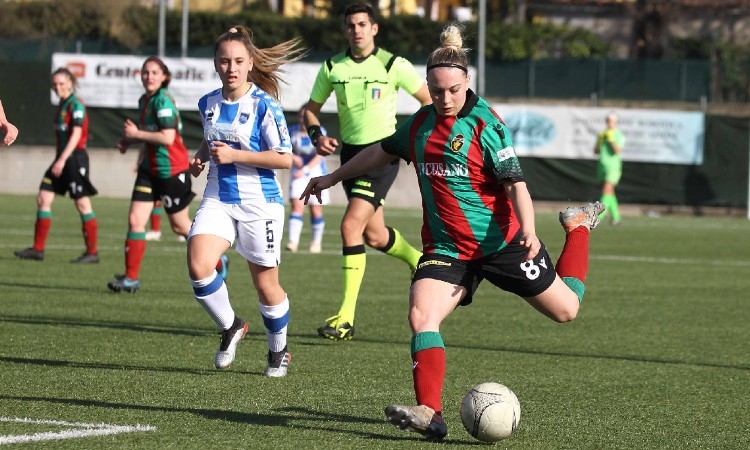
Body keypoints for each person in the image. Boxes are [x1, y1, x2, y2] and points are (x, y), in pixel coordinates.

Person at [301, 24, 605, 441]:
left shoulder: (486, 125)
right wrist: (332, 177)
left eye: (454, 91)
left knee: (566, 309)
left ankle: (578, 227)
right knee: (421, 315)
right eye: (437, 90)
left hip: (501, 243)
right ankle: (430, 413)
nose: (445, 99)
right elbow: (380, 152)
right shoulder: (420, 124)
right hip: (446, 250)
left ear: (467, 83)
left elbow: (515, 184)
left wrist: (531, 230)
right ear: (427, 86)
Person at [303, 2, 432, 341]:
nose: (356, 30)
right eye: (351, 25)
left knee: (350, 226)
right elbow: (310, 111)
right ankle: (418, 260)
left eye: (362, 24)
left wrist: (409, 138)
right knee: (374, 235)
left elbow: (429, 101)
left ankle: (345, 318)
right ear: (345, 30)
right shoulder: (333, 67)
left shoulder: (393, 64)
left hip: (382, 156)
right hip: (350, 156)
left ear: (374, 28)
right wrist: (317, 137)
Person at [187, 25, 305, 377]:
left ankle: (278, 351)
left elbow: (285, 158)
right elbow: (211, 138)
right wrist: (200, 156)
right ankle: (231, 326)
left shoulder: (265, 106)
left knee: (265, 284)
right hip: (217, 195)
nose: (232, 68)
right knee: (198, 265)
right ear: (215, 63)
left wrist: (236, 155)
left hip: (260, 202)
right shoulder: (207, 103)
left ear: (251, 63)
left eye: (239, 61)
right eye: (225, 61)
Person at [108, 56, 228, 293]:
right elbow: (150, 134)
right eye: (145, 72)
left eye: (154, 72)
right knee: (135, 220)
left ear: (164, 77)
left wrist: (136, 134)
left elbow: (167, 137)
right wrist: (129, 140)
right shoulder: (145, 100)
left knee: (180, 226)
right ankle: (131, 278)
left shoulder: (163, 101)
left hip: (171, 170)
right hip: (149, 170)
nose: (149, 76)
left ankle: (217, 259)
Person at [14, 68, 99, 264]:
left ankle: (92, 252)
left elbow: (76, 134)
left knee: (82, 204)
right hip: (62, 158)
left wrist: (62, 159)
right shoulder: (63, 105)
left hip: (74, 159)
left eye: (61, 83)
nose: (57, 87)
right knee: (44, 197)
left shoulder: (76, 105)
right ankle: (38, 249)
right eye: (54, 84)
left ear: (71, 83)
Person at [286, 105, 329, 254]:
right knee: (297, 206)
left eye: (306, 117)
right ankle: (292, 243)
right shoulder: (291, 131)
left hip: (316, 172)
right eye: (301, 117)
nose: (302, 120)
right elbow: (283, 149)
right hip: (297, 174)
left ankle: (316, 243)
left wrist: (305, 169)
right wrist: (293, 157)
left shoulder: (320, 132)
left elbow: (320, 155)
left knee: (315, 208)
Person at [594, 113, 625, 225]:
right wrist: (599, 141)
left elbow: (617, 150)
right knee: (610, 193)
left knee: (606, 190)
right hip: (602, 166)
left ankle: (598, 216)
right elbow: (596, 151)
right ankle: (616, 218)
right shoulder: (603, 134)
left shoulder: (619, 135)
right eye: (607, 121)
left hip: (613, 167)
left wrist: (611, 140)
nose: (609, 123)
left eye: (611, 121)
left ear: (615, 122)